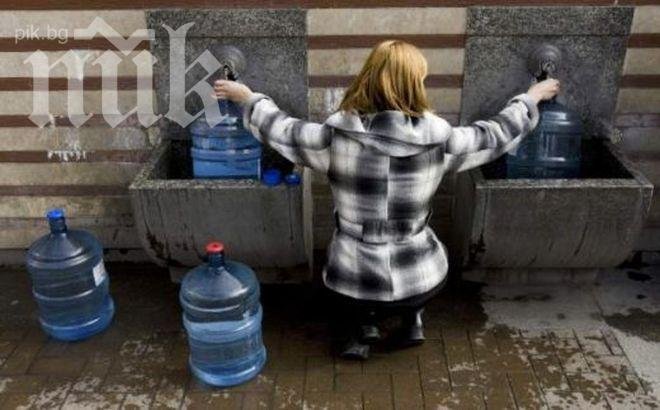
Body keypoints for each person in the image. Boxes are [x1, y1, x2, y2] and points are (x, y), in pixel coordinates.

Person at [214, 40, 559, 360]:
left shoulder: (334, 140)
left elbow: (282, 129)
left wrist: (248, 98)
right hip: (421, 277)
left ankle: (358, 335)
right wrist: (530, 98)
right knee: (410, 283)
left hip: (354, 279)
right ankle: (411, 321)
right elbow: (495, 133)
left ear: (367, 79)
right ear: (415, 84)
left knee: (346, 285)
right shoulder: (441, 142)